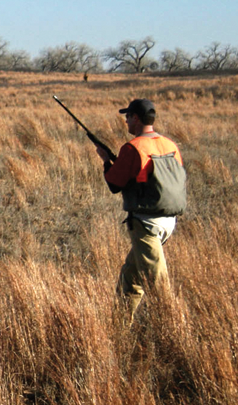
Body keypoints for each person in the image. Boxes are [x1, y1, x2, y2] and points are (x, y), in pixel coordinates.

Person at [96, 98, 187, 321]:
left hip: (146, 224)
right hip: (169, 221)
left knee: (158, 285)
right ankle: (119, 327)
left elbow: (114, 185)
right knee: (130, 278)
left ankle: (174, 328)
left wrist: (107, 161)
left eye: (128, 117)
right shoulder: (170, 145)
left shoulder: (133, 148)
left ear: (136, 118)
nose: (126, 121)